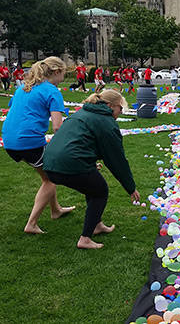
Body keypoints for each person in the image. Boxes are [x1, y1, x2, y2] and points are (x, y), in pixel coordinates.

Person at [43, 90, 140, 249]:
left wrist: (89, 161)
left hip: (50, 163)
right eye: (120, 108)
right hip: (69, 163)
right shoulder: (106, 122)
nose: (121, 112)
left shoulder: (82, 113)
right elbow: (116, 160)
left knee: (92, 186)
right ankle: (85, 238)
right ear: (110, 106)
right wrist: (130, 187)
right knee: (100, 191)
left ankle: (97, 225)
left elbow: (78, 140)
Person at [2, 57, 75, 234]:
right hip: (29, 141)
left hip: (9, 139)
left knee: (47, 174)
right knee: (51, 179)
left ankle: (55, 210)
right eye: (64, 73)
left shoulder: (23, 87)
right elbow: (57, 126)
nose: (63, 77)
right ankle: (32, 224)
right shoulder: (52, 91)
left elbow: (16, 110)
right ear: (56, 72)